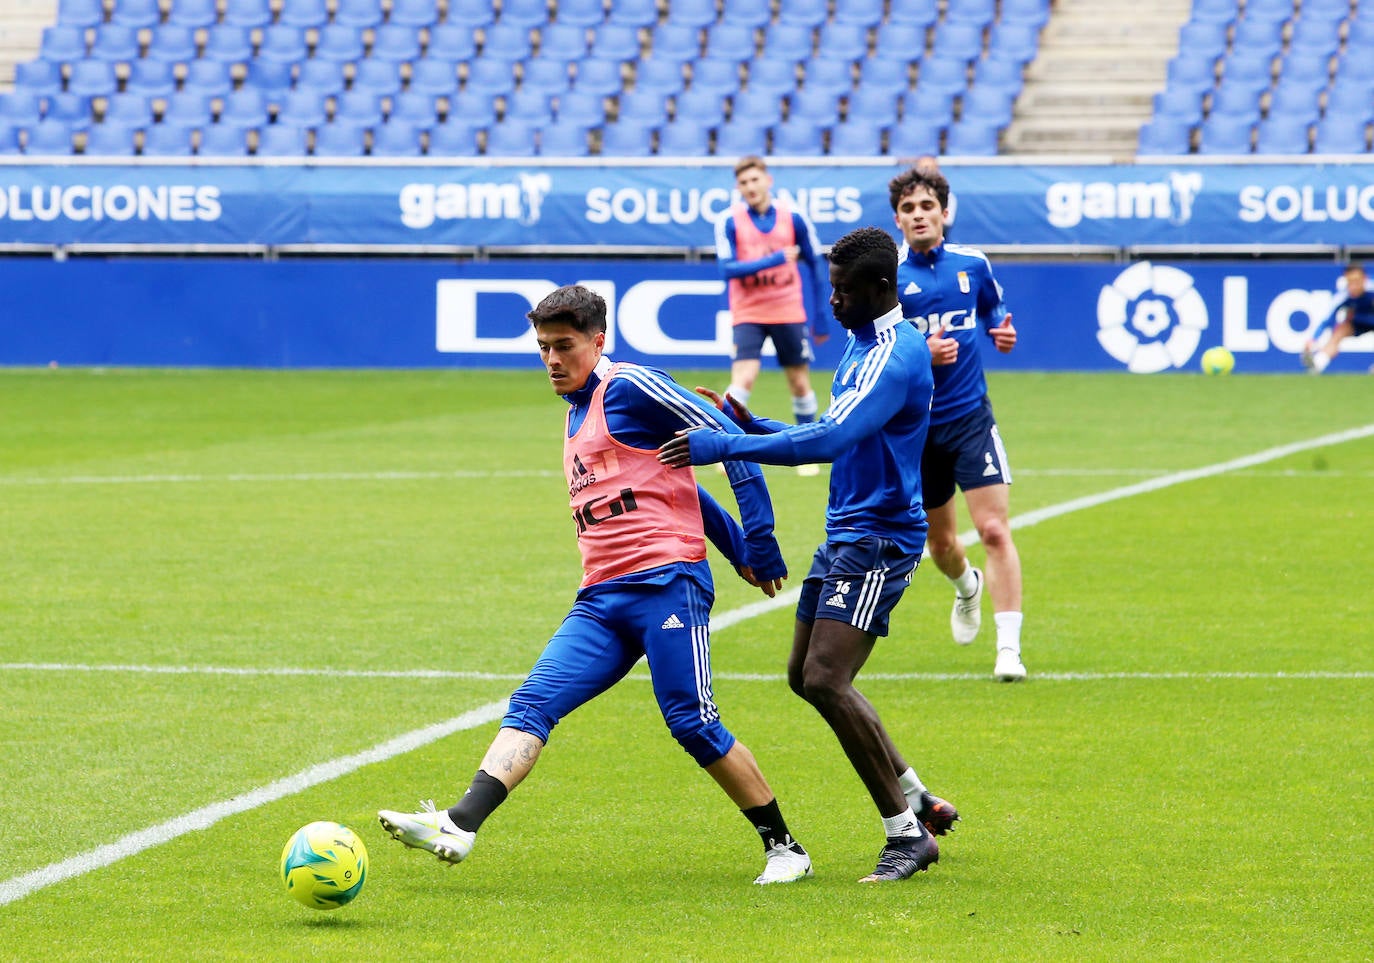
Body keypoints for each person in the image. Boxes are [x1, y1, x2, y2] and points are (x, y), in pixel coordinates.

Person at [379, 284, 813, 886]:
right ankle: (459, 824)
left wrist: (755, 544)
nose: (552, 360)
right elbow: (673, 481)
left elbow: (728, 444)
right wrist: (737, 544)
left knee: (691, 720)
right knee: (532, 703)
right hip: (602, 598)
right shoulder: (575, 409)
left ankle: (785, 848)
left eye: (564, 346)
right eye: (542, 348)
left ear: (598, 341)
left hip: (668, 583)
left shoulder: (632, 387)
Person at [659, 227, 959, 883]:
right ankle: (917, 797)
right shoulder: (861, 346)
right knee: (805, 674)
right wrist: (749, 423)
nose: (832, 301)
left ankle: (906, 835)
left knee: (827, 676)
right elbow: (838, 432)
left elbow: (830, 439)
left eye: (843, 291)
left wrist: (726, 447)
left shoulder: (896, 354)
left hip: (880, 538)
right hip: (846, 532)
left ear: (880, 290)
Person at [888, 165, 1027, 683]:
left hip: (970, 417)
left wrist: (1001, 332)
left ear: (944, 213)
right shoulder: (890, 277)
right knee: (941, 546)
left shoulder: (973, 263)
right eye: (909, 209)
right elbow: (874, 353)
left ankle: (1008, 649)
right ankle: (966, 587)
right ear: (898, 220)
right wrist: (920, 352)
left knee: (993, 528)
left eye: (928, 206)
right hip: (918, 429)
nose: (919, 215)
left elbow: (994, 312)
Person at [714, 155, 831, 475]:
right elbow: (727, 270)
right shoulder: (728, 220)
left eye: (755, 180)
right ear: (738, 187)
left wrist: (821, 314)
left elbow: (816, 264)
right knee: (744, 378)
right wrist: (777, 259)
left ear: (768, 180)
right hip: (748, 311)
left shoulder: (793, 218)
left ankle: (807, 451)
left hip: (788, 309)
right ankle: (728, 447)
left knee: (798, 381)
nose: (750, 187)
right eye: (744, 182)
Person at [1302, 264, 1374, 374]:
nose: (1353, 286)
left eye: (1356, 281)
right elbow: (1327, 320)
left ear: (1365, 279)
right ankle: (1318, 363)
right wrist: (1313, 339)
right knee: (1340, 330)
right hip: (1358, 322)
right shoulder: (1343, 296)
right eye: (1350, 282)